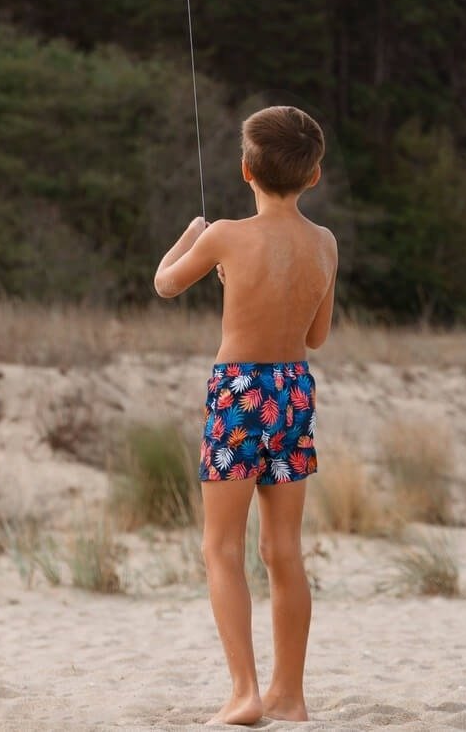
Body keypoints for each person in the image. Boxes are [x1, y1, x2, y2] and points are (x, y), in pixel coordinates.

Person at [154, 105, 336, 726]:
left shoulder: (224, 233)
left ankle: (244, 692)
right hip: (293, 393)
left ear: (244, 171)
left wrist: (191, 233)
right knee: (284, 549)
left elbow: (166, 284)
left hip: (238, 394)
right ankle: (290, 695)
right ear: (313, 177)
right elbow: (317, 335)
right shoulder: (325, 243)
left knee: (220, 547)